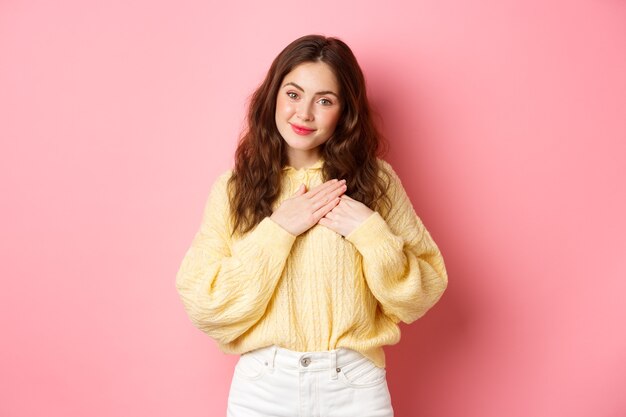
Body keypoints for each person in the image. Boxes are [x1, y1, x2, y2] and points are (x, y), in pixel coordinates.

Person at [175, 34, 448, 417]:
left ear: (345, 112)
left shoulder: (376, 182)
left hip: (354, 387)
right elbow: (206, 304)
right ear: (273, 96)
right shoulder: (234, 188)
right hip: (263, 390)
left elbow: (423, 291)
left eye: (324, 100)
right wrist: (278, 230)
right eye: (293, 94)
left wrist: (370, 233)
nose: (303, 113)